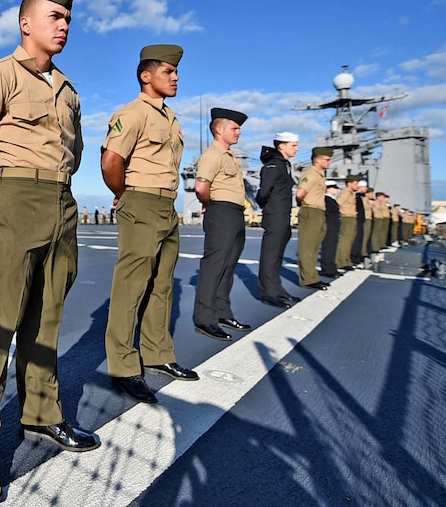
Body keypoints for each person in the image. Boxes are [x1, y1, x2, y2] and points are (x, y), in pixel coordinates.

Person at [0, 0, 98, 506]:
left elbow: (74, 155)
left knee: (46, 318)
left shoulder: (69, 91)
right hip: (14, 195)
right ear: (26, 21)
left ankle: (42, 414)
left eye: (68, 20)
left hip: (61, 203)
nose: (64, 26)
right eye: (55, 17)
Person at [101, 44, 199, 405]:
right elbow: (111, 160)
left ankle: (158, 353)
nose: (175, 77)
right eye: (168, 72)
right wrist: (125, 195)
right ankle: (124, 367)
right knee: (132, 287)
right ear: (146, 76)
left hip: (166, 204)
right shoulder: (134, 113)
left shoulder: (170, 118)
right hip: (141, 200)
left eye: (176, 72)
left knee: (161, 285)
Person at [192, 107, 251, 341]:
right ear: (219, 129)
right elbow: (200, 187)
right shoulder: (212, 155)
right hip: (221, 212)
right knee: (214, 266)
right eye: (234, 128)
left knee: (228, 266)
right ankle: (205, 319)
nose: (238, 133)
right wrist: (208, 204)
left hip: (235, 213)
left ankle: (223, 312)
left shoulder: (229, 155)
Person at [255, 132, 302, 309]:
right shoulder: (274, 165)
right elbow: (263, 191)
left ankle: (276, 288)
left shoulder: (284, 165)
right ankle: (267, 292)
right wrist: (266, 206)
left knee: (277, 256)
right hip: (275, 216)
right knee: (270, 255)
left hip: (283, 216)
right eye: (293, 145)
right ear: (281, 146)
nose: (296, 149)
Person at [296, 148, 334, 288]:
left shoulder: (319, 175)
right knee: (307, 247)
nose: (329, 162)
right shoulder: (311, 175)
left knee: (314, 247)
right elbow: (300, 194)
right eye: (327, 159)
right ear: (317, 160)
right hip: (311, 211)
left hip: (318, 212)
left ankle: (312, 276)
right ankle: (308, 279)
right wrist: (304, 205)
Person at [335, 173, 360, 270]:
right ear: (349, 183)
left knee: (349, 241)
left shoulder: (352, 193)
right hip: (346, 217)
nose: (357, 185)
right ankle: (340, 261)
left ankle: (346, 260)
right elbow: (338, 203)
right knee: (344, 241)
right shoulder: (345, 193)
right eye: (356, 183)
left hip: (352, 217)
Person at [319, 180, 342, 279]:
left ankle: (331, 268)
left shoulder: (331, 200)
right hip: (329, 227)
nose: (336, 190)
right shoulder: (326, 199)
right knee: (328, 249)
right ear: (328, 189)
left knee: (332, 249)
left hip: (333, 226)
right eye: (334, 188)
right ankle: (327, 269)